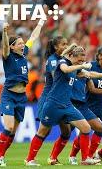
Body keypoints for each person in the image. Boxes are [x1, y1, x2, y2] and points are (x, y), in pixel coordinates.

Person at [24, 44, 102, 166]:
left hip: (67, 105)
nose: (82, 60)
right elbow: (65, 69)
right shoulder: (62, 62)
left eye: (83, 58)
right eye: (80, 58)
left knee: (86, 128)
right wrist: (81, 66)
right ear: (71, 56)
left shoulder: (75, 68)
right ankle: (30, 159)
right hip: (53, 104)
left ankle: (85, 159)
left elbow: (89, 74)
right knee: (42, 132)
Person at [0, 19, 44, 166]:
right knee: (8, 127)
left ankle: (2, 156)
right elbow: (4, 47)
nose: (23, 45)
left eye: (23, 43)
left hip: (21, 97)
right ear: (12, 47)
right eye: (20, 43)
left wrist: (40, 23)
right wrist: (4, 32)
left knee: (13, 133)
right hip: (9, 95)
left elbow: (33, 37)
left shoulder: (23, 54)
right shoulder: (8, 57)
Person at [35, 36, 73, 165]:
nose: (66, 46)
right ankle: (30, 159)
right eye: (63, 44)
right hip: (49, 98)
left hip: (60, 99)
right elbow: (56, 77)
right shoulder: (53, 60)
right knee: (45, 131)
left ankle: (53, 157)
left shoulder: (64, 60)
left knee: (66, 131)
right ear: (56, 47)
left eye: (67, 44)